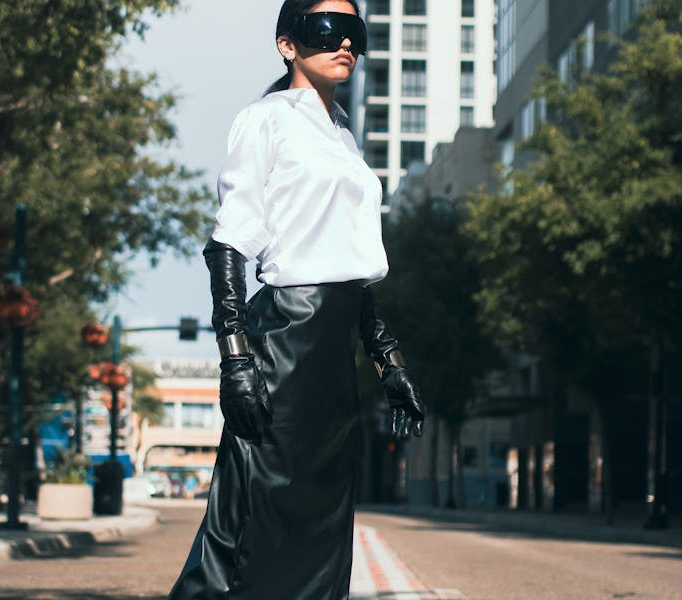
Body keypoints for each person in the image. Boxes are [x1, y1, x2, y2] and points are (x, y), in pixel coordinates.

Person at [168, 1, 425, 598]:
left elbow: (352, 269)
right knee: (249, 530)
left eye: (354, 33)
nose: (345, 45)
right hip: (281, 345)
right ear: (287, 44)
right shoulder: (266, 119)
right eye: (326, 30)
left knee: (323, 537)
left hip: (336, 366)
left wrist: (389, 364)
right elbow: (228, 245)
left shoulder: (343, 135)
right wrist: (235, 360)